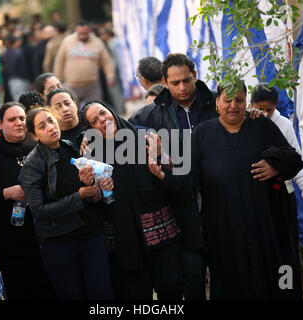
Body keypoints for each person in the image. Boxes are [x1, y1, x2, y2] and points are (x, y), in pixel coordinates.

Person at [152, 81, 303, 299]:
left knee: (277, 280)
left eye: (239, 100)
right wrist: (162, 174)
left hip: (267, 225)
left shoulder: (261, 126)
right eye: (227, 100)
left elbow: (294, 158)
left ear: (247, 103)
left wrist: (275, 165)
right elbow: (188, 178)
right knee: (231, 283)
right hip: (224, 228)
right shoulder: (202, 134)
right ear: (217, 103)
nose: (233, 105)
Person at [128, 53, 215, 300]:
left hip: (219, 199)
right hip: (180, 204)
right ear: (165, 82)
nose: (182, 87)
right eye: (175, 83)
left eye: (187, 80)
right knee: (193, 276)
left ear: (196, 76)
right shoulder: (152, 114)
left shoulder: (215, 104)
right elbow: (121, 133)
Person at [81, 101, 183, 300]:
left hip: (160, 231)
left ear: (111, 111)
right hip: (123, 239)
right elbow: (92, 199)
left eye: (103, 113)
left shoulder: (144, 135)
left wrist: (161, 162)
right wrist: (100, 190)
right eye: (95, 121)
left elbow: (175, 174)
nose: (103, 120)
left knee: (171, 288)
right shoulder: (91, 153)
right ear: (90, 129)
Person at [19, 107, 114, 300]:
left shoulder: (71, 147)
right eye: (42, 126)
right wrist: (79, 196)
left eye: (51, 121)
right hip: (59, 241)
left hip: (90, 233)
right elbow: (38, 210)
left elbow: (89, 191)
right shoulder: (32, 164)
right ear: (34, 135)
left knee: (102, 293)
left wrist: (95, 186)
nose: (50, 128)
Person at [0, 102, 53, 300]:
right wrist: (6, 193)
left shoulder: (39, 148)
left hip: (43, 235)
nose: (18, 123)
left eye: (22, 119)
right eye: (12, 119)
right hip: (11, 241)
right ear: (0, 124)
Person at [250, 83, 303, 252]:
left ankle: (283, 278)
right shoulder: (246, 122)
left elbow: (296, 161)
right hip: (254, 195)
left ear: (275, 106)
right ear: (251, 104)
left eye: (269, 110)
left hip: (281, 194)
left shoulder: (284, 125)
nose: (265, 114)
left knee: (282, 243)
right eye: (261, 109)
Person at [53, 20, 115, 105]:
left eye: (85, 33)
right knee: (74, 113)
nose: (83, 35)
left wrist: (110, 76)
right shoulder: (67, 41)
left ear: (89, 31)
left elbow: (106, 61)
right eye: (80, 33)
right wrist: (58, 79)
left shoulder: (97, 42)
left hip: (92, 85)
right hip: (72, 85)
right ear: (76, 31)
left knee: (96, 108)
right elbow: (59, 61)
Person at [1, 34, 30, 101]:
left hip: (11, 80)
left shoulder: (4, 54)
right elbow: (23, 68)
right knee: (24, 101)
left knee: (16, 101)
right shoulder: (19, 53)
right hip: (21, 80)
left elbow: (3, 68)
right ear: (15, 42)